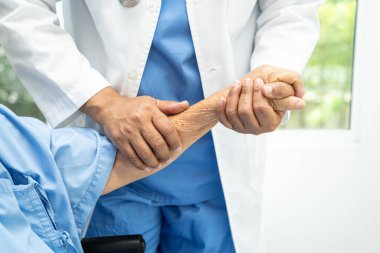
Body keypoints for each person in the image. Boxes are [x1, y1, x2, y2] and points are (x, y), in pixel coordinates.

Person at [0, 0, 322, 252]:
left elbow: (290, 7)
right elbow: (21, 8)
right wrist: (103, 101)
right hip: (114, 161)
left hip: (216, 172)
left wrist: (270, 75)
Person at [0, 77, 302, 252]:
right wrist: (105, 103)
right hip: (121, 185)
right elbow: (25, 12)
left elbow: (79, 159)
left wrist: (232, 99)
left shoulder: (12, 139)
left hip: (209, 173)